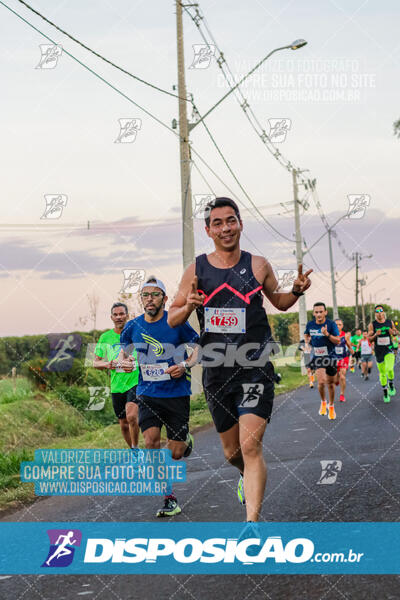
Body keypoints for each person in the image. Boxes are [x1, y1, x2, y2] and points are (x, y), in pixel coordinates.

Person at [167, 197, 312, 523]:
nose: (225, 227)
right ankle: (244, 476)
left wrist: (298, 290)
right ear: (208, 230)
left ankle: (252, 523)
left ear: (240, 224)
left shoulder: (258, 265)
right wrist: (189, 305)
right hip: (217, 373)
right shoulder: (196, 270)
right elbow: (173, 319)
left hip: (254, 368)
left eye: (230, 220)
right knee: (232, 453)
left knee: (250, 447)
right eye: (217, 223)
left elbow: (281, 301)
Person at [119, 276, 198, 517]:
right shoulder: (133, 326)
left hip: (176, 394)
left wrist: (184, 364)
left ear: (164, 298)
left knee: (175, 453)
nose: (149, 299)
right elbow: (125, 355)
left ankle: (185, 440)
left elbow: (198, 348)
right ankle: (169, 497)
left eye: (154, 294)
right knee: (151, 443)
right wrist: (126, 362)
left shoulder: (176, 322)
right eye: (145, 295)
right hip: (148, 394)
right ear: (141, 299)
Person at [94, 302, 140, 448]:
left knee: (132, 416)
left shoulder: (136, 333)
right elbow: (96, 363)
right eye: (116, 314)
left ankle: (136, 448)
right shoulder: (105, 337)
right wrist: (107, 364)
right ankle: (133, 450)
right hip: (116, 385)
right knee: (124, 425)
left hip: (135, 381)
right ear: (111, 317)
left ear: (127, 315)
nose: (119, 317)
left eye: (122, 314)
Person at [304, 303, 340, 420]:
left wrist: (327, 334)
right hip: (318, 357)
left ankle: (331, 405)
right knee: (321, 382)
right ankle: (323, 402)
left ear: (325, 312)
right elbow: (306, 334)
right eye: (316, 312)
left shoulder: (331, 324)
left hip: (331, 357)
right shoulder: (310, 324)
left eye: (321, 312)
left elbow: (338, 341)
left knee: (330, 384)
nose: (319, 314)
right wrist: (307, 340)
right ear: (314, 313)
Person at [368, 305, 397, 402]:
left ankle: (391, 385)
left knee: (389, 368)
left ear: (383, 312)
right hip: (379, 351)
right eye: (377, 311)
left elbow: (396, 332)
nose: (379, 313)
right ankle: (385, 392)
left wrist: (392, 331)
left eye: (381, 311)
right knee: (383, 373)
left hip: (389, 349)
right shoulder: (372, 324)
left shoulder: (390, 322)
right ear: (375, 313)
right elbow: (369, 338)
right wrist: (376, 334)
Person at [334, 318, 353, 402]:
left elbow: (349, 345)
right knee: (335, 378)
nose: (338, 326)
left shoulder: (345, 335)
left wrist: (352, 350)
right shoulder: (330, 335)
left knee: (342, 376)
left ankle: (342, 395)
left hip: (343, 357)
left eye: (340, 325)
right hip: (333, 358)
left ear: (342, 326)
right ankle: (336, 379)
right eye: (336, 325)